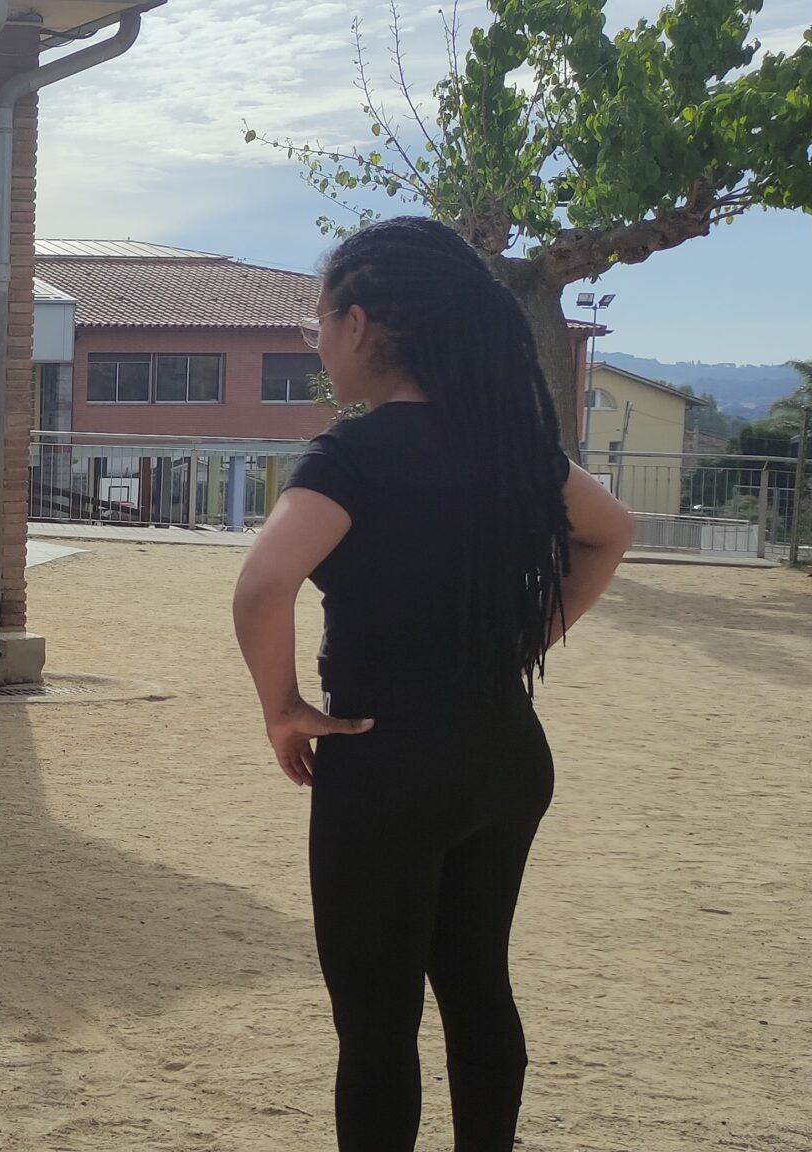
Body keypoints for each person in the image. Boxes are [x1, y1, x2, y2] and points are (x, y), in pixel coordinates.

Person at [230, 216, 633, 1151]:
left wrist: (283, 709)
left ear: (358, 323)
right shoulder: (514, 447)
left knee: (377, 1024)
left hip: (388, 760)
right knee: (478, 986)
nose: (317, 342)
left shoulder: (352, 456)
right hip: (505, 750)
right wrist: (522, 642)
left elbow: (261, 585)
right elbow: (610, 531)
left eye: (318, 322)